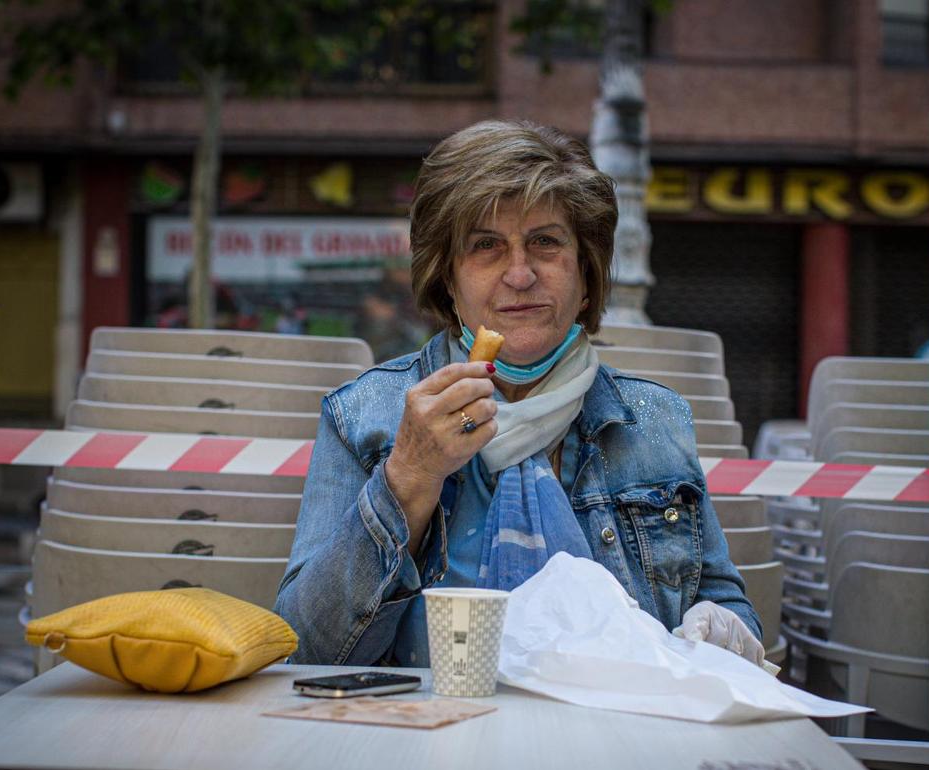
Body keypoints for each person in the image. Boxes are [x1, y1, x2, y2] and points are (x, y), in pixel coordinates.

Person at [275, 119, 764, 668]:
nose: (520, 273)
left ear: (585, 278)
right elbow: (309, 649)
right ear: (447, 282)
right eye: (486, 246)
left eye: (545, 243)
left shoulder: (654, 421)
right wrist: (409, 477)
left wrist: (723, 630)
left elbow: (723, 603)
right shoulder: (363, 416)